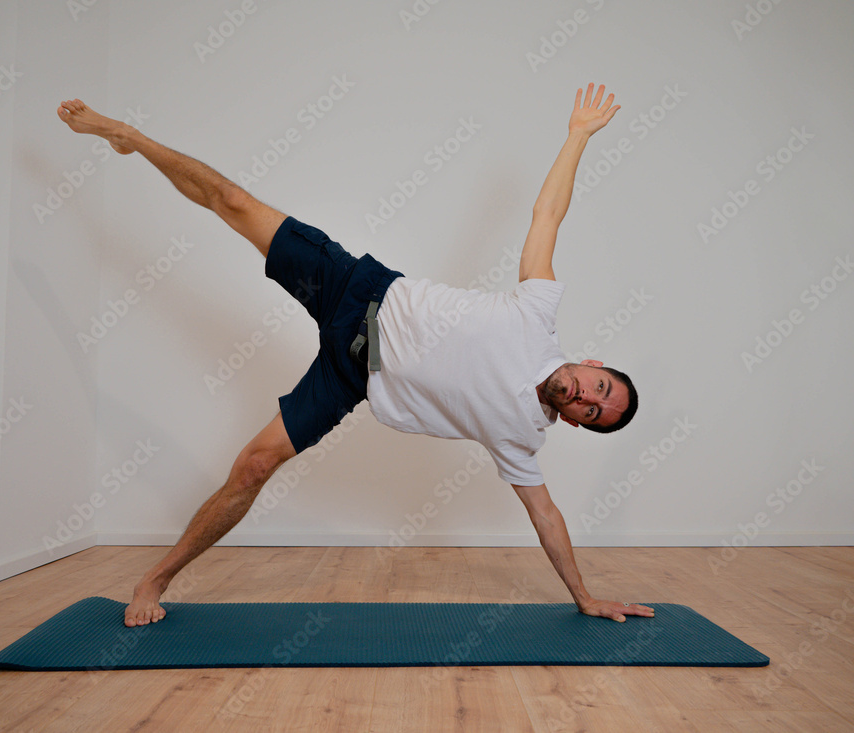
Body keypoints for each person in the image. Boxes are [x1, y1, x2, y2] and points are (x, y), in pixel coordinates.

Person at [57, 82, 655, 628]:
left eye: (592, 414)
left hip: (352, 375)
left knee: (253, 465)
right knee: (233, 199)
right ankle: (128, 137)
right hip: (358, 292)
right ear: (592, 365)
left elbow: (547, 517)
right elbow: (547, 216)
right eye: (598, 389)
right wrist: (577, 136)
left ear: (577, 423)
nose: (585, 399)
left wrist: (584, 597)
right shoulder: (538, 312)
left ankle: (155, 578)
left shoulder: (521, 437)